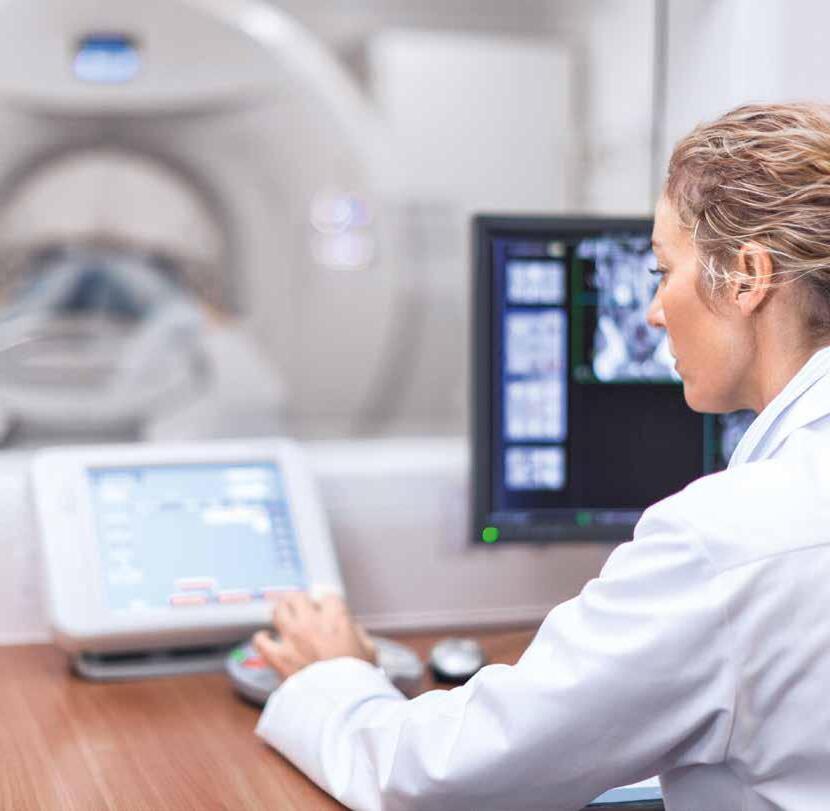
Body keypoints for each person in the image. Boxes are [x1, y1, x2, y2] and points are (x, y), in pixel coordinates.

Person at [254, 103, 830, 810]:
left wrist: (334, 677)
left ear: (746, 277)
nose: (654, 311)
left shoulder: (726, 545)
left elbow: (444, 777)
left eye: (662, 270)